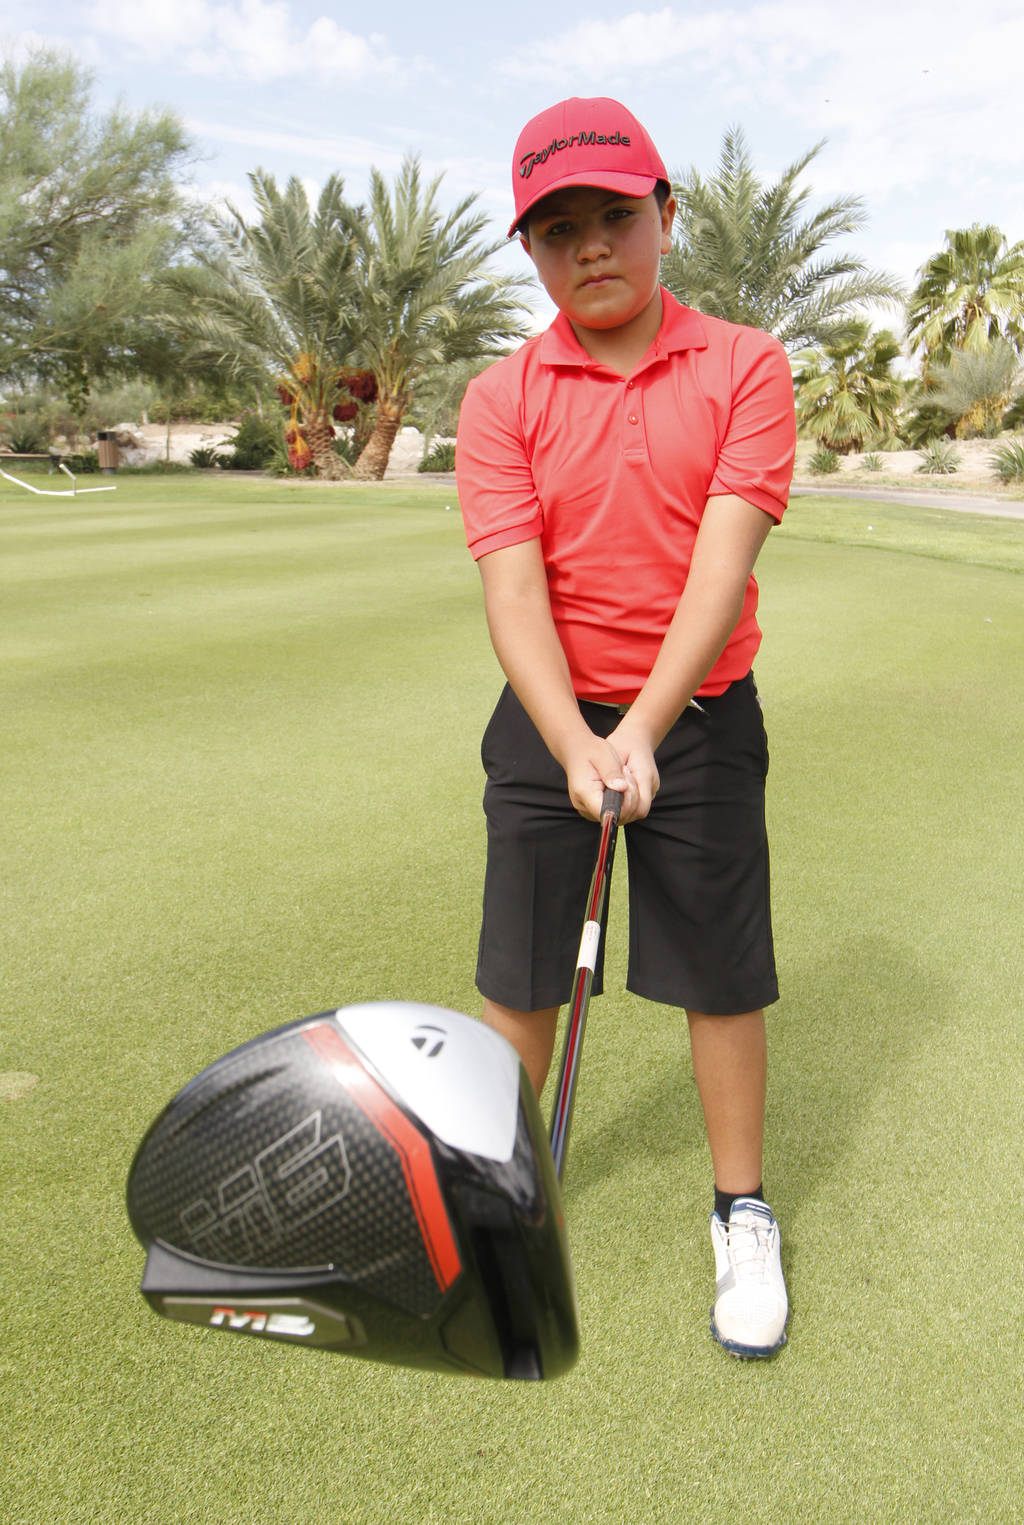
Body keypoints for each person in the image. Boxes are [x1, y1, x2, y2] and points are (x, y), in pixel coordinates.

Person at [455, 97, 795, 1358]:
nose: (589, 246)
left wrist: (642, 729)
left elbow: (720, 572)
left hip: (697, 715)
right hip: (548, 717)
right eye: (557, 229)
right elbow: (512, 588)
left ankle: (740, 1209)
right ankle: (494, 1197)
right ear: (530, 252)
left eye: (612, 216)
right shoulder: (502, 396)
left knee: (720, 972)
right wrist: (573, 741)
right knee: (522, 973)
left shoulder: (746, 366)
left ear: (665, 216)